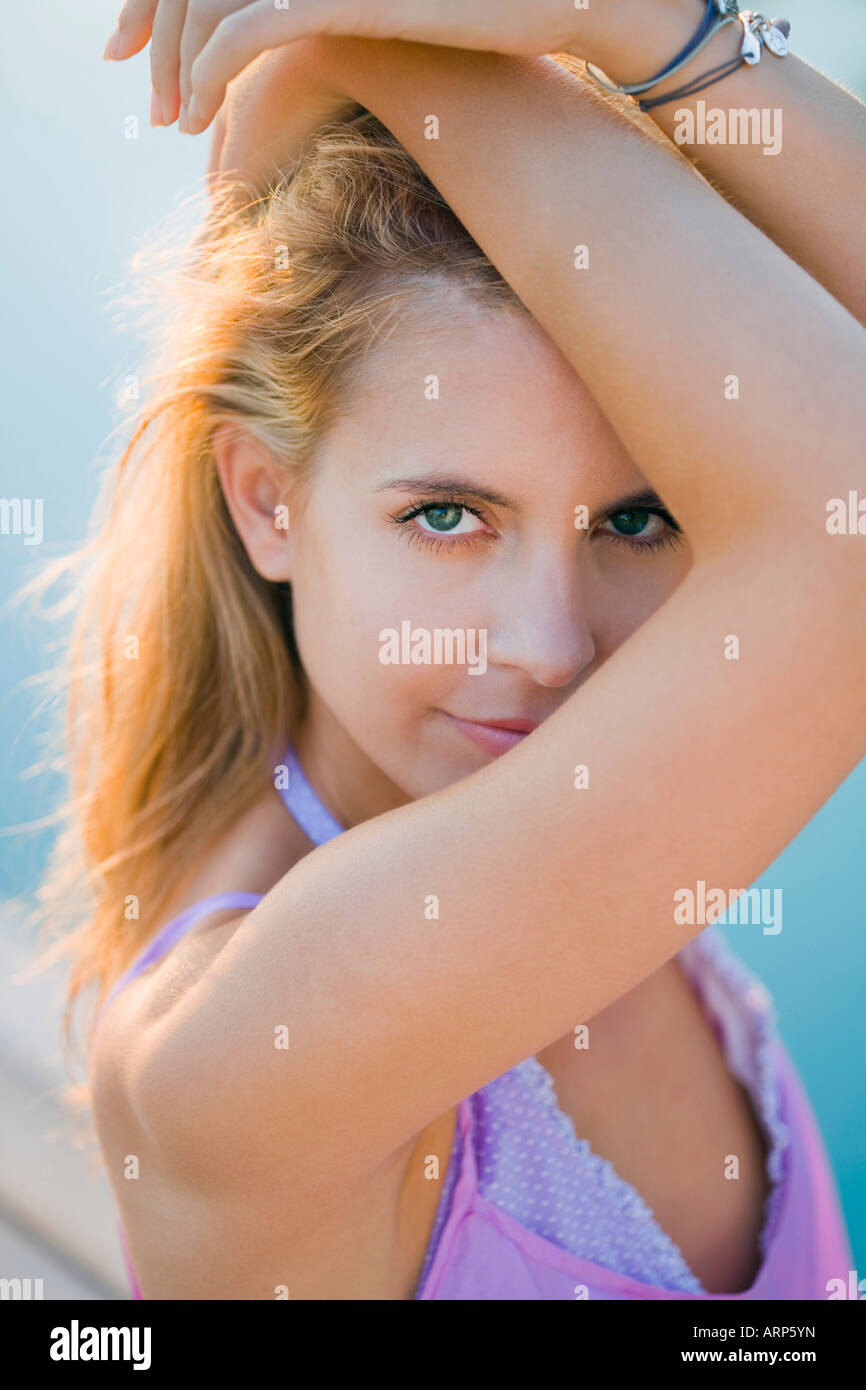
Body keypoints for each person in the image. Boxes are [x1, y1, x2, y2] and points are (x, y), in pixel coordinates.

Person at [43, 1, 866, 1298]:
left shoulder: (536, 804)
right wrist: (410, 48)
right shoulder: (235, 1051)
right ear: (267, 500)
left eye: (637, 519)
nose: (549, 646)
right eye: (447, 516)